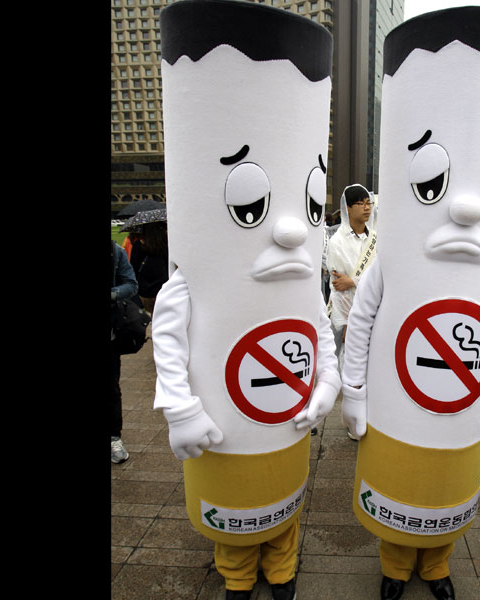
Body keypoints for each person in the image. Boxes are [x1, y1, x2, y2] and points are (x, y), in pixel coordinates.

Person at [340, 7, 480, 600]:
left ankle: (437, 565)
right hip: (397, 405)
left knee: (450, 488)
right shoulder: (392, 259)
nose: (471, 205)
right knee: (400, 486)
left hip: (463, 408)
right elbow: (362, 322)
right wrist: (354, 391)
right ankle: (395, 566)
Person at [152, 4, 339, 600]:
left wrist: (326, 385)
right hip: (223, 425)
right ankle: (236, 575)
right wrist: (181, 408)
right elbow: (167, 339)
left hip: (287, 421)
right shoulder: (191, 279)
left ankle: (281, 569)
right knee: (233, 508)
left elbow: (320, 333)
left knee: (284, 503)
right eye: (251, 202)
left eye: (311, 205)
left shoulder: (303, 280)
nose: (292, 228)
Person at [325, 183, 376, 361]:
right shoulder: (337, 242)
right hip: (346, 316)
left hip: (373, 312)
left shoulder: (376, 239)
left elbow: (381, 277)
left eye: (369, 203)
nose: (367, 208)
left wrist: (353, 281)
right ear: (348, 208)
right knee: (345, 362)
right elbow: (340, 288)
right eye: (361, 203)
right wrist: (349, 322)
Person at [111, 240, 139, 464]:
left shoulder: (115, 251)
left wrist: (112, 294)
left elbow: (131, 285)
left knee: (111, 389)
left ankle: (114, 438)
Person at [129, 220, 169, 315]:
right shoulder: (165, 246)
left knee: (150, 314)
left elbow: (133, 268)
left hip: (144, 291)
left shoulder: (138, 245)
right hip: (164, 288)